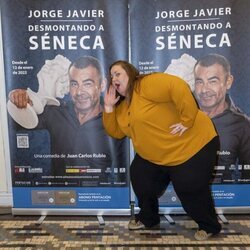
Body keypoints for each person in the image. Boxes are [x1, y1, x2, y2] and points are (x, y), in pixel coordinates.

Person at [102, 60, 221, 241]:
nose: (114, 78)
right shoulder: (124, 106)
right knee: (140, 176)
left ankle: (209, 225)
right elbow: (116, 132)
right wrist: (109, 107)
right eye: (111, 76)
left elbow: (177, 86)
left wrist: (187, 120)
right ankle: (148, 219)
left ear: (130, 73)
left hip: (192, 146)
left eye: (117, 73)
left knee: (189, 187)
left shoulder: (146, 85)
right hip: (156, 156)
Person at [8, 56, 128, 186]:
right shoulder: (56, 111)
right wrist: (17, 100)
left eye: (87, 83)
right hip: (60, 196)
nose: (79, 92)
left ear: (102, 85)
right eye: (74, 84)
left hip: (99, 197)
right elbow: (15, 123)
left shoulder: (116, 117)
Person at [193, 53, 250, 183]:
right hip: (183, 199)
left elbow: (248, 178)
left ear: (228, 82)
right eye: (199, 82)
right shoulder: (181, 118)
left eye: (212, 81)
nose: (204, 90)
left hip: (225, 199)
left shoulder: (243, 125)